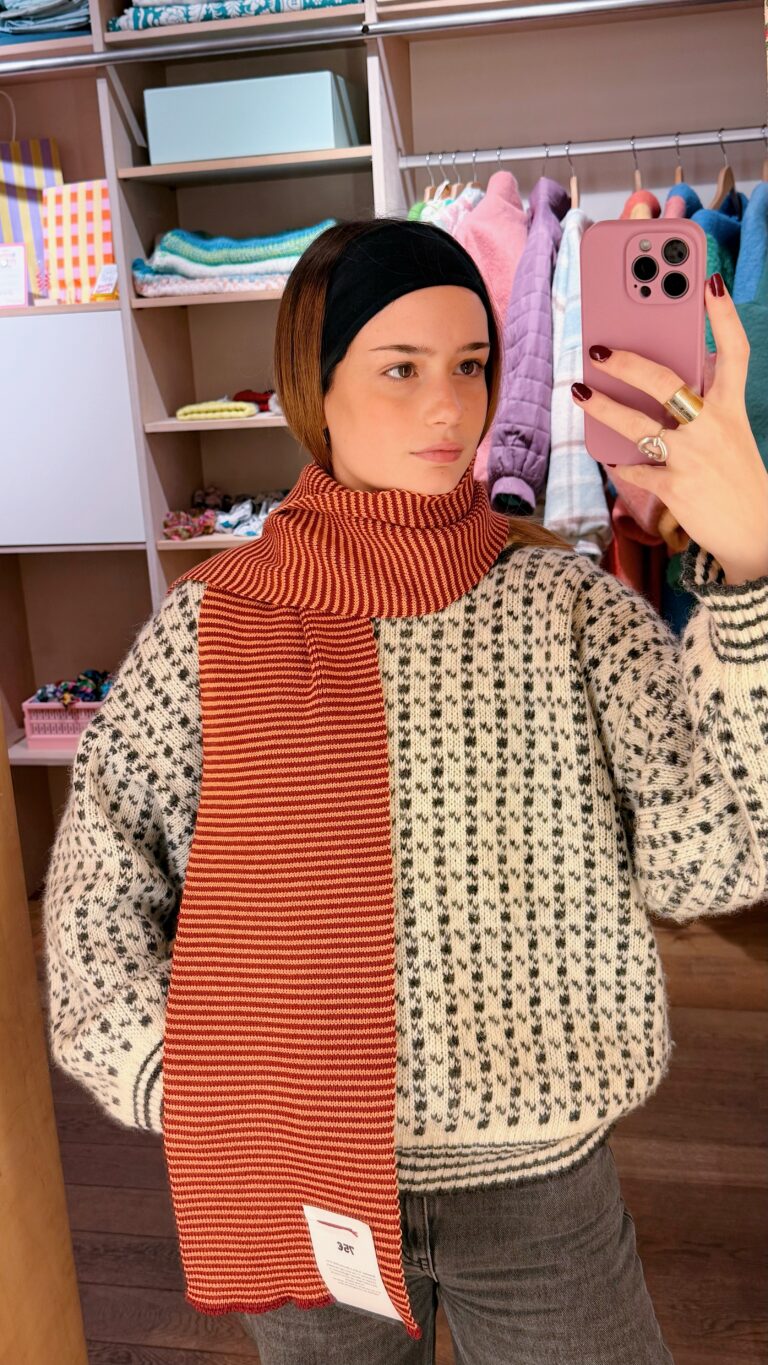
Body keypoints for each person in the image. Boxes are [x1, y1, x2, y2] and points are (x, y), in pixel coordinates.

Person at [42, 217, 768, 1365]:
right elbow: (102, 874)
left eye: (472, 366)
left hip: (539, 1188)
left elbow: (713, 863)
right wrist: (167, 1078)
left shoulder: (568, 608)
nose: (450, 408)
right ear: (316, 388)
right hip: (289, 1170)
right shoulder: (211, 625)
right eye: (401, 368)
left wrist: (754, 574)